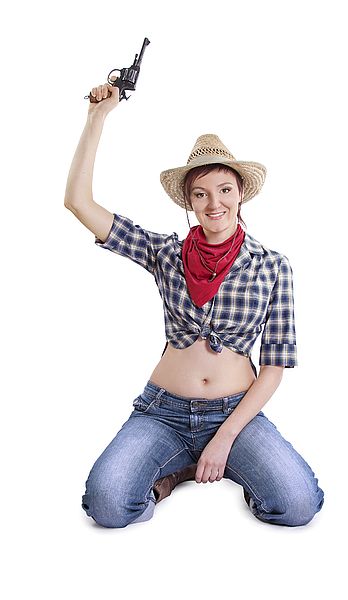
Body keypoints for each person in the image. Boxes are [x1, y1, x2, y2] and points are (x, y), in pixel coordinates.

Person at [64, 79, 324, 528]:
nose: (213, 203)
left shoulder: (273, 266)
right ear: (189, 201)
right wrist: (96, 119)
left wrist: (224, 439)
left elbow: (274, 368)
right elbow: (78, 202)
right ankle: (176, 469)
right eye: (200, 194)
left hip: (235, 410)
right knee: (106, 506)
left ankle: (219, 460)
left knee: (297, 505)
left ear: (241, 192)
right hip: (162, 410)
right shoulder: (164, 252)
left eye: (224, 190)